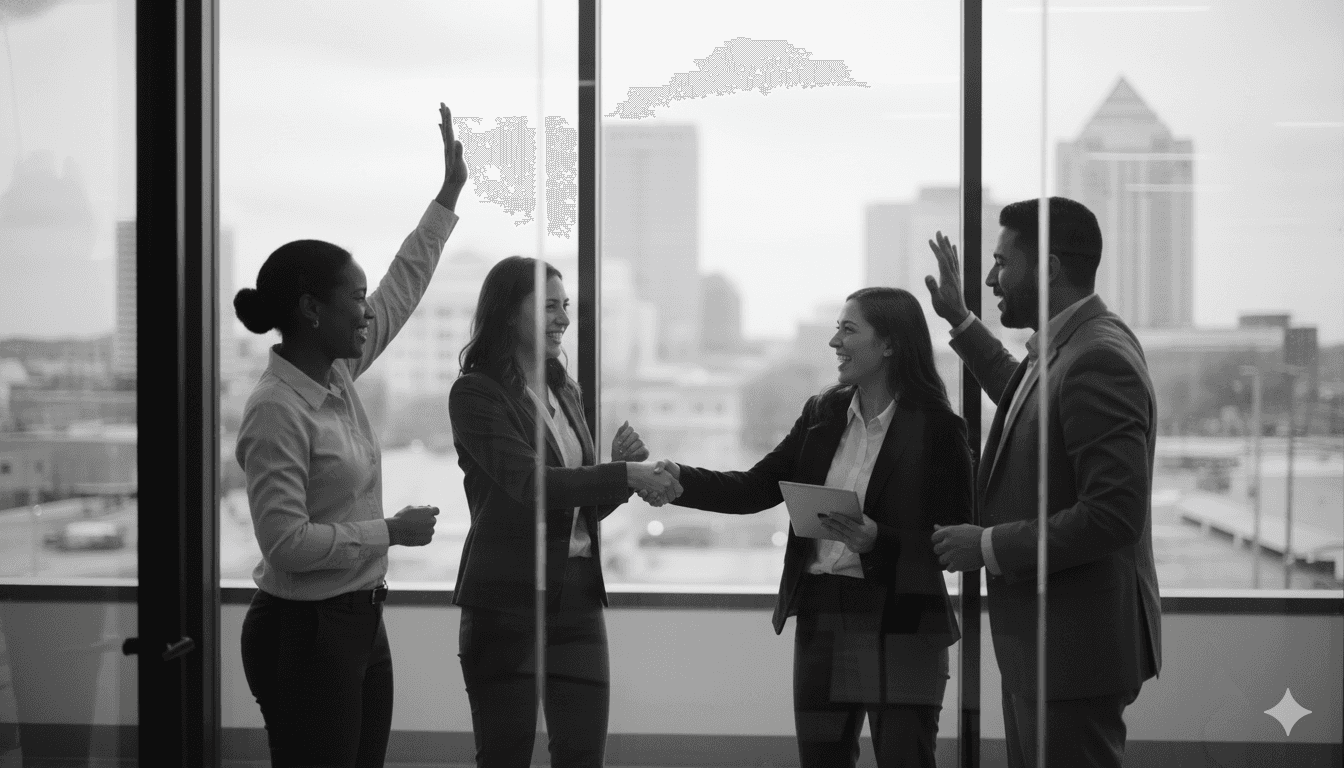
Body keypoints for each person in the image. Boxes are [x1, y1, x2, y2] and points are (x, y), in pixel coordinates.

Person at [647, 287, 973, 768]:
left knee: (907, 759)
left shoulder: (939, 429)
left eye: (848, 329)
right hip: (825, 616)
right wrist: (682, 479)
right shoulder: (823, 414)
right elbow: (756, 488)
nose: (834, 342)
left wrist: (876, 540)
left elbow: (955, 543)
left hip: (904, 620)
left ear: (889, 344)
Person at [232, 103, 466, 767]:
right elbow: (286, 544)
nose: (368, 312)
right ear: (311, 309)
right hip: (306, 631)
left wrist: (445, 200)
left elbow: (399, 290)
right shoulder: (279, 410)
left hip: (357, 619)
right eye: (352, 298)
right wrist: (387, 531)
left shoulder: (336, 372)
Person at [925, 197, 1162, 768]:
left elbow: (1112, 515)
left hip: (1073, 651)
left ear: (1049, 268)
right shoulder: (1071, 347)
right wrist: (962, 322)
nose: (990, 277)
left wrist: (985, 546)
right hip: (1048, 648)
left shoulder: (1098, 357)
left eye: (1003, 262)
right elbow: (1023, 400)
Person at [448, 255, 677, 768]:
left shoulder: (565, 391)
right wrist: (624, 476)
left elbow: (575, 511)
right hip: (507, 602)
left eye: (565, 306)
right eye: (550, 306)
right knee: (504, 756)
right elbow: (532, 485)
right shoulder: (476, 394)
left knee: (581, 756)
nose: (564, 319)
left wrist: (618, 473)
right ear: (509, 314)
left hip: (577, 597)